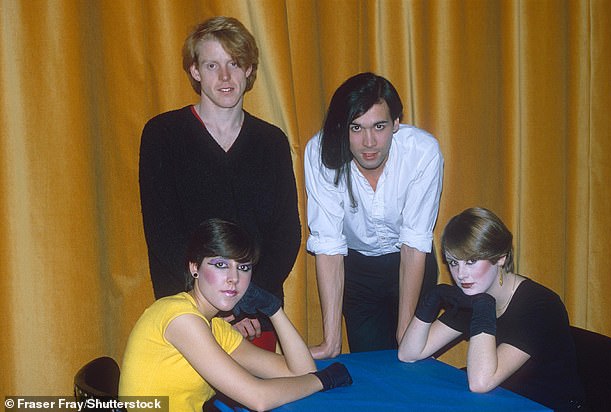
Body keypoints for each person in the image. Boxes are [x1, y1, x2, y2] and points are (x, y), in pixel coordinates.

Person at [139, 16, 301, 351]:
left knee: (260, 402)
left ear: (249, 71)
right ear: (195, 72)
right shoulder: (162, 135)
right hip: (189, 314)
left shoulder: (271, 142)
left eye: (235, 64)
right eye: (212, 65)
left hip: (256, 315)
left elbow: (286, 233)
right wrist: (212, 306)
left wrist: (246, 303)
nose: (225, 77)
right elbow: (162, 232)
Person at [119, 218, 352, 412]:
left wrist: (273, 309)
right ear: (194, 268)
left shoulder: (215, 327)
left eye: (243, 267)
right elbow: (257, 399)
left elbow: (301, 371)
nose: (234, 278)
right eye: (220, 265)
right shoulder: (180, 317)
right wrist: (325, 380)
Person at [304, 72, 444, 358]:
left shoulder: (422, 151)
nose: (368, 142)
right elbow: (328, 244)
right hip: (358, 270)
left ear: (396, 123)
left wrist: (405, 333)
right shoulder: (320, 153)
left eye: (379, 126)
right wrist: (331, 342)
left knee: (411, 360)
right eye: (356, 128)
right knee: (371, 365)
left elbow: (414, 242)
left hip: (410, 262)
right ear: (343, 128)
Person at [398, 207, 586, 411]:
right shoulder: (476, 293)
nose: (461, 275)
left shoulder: (540, 306)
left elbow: (480, 382)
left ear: (500, 258)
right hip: (499, 401)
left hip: (548, 405)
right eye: (453, 263)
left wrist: (484, 305)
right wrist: (431, 300)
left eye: (471, 261)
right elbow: (409, 353)